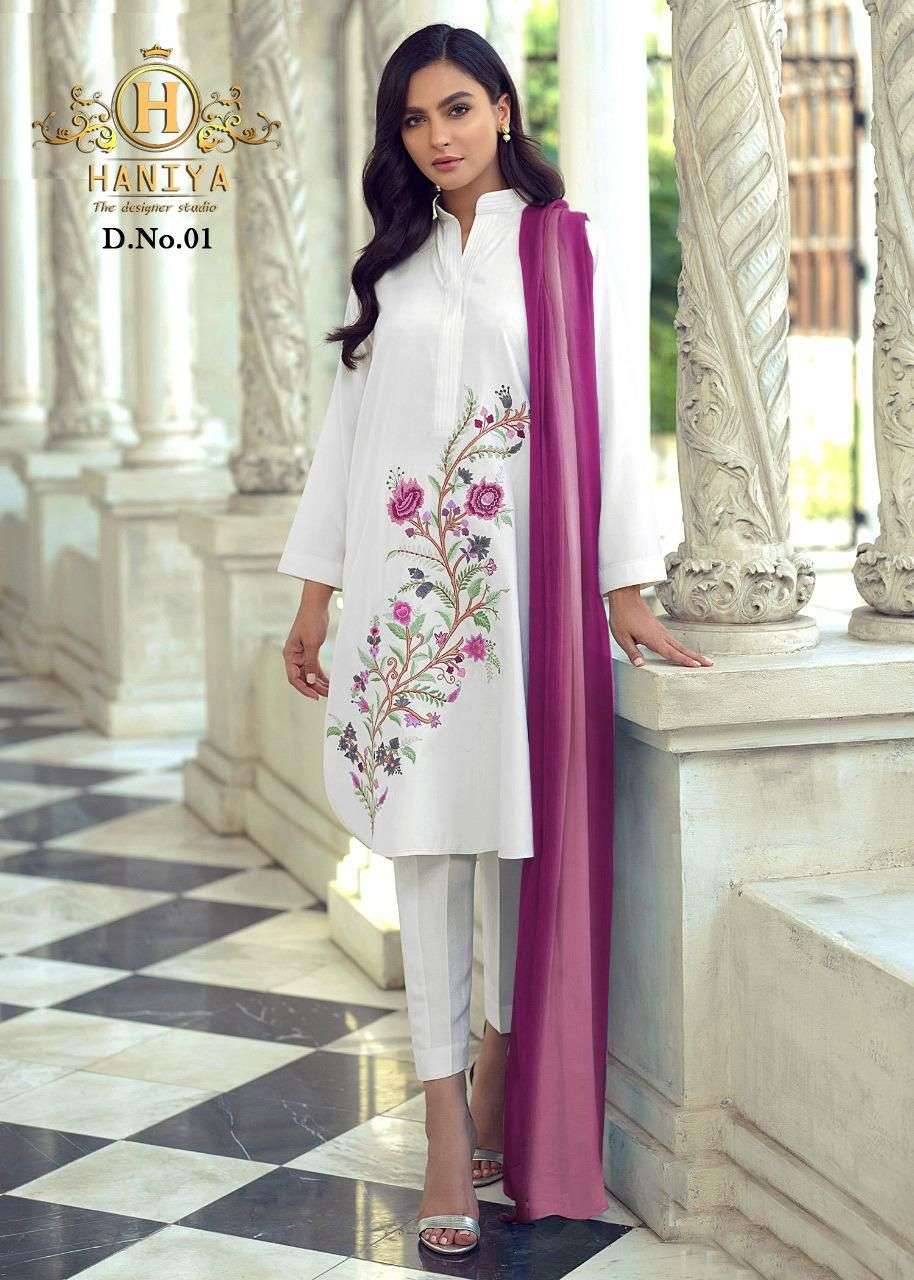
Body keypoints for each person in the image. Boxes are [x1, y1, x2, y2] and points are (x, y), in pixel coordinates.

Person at [278, 23, 712, 1258]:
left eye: (457, 108)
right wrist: (314, 594)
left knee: (521, 853)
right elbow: (345, 438)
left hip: (523, 602)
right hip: (405, 614)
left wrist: (624, 586)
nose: (438, 137)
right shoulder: (395, 265)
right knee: (425, 853)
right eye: (414, 120)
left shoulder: (564, 247)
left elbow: (612, 423)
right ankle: (440, 1131)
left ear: (505, 107)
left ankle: (498, 1082)